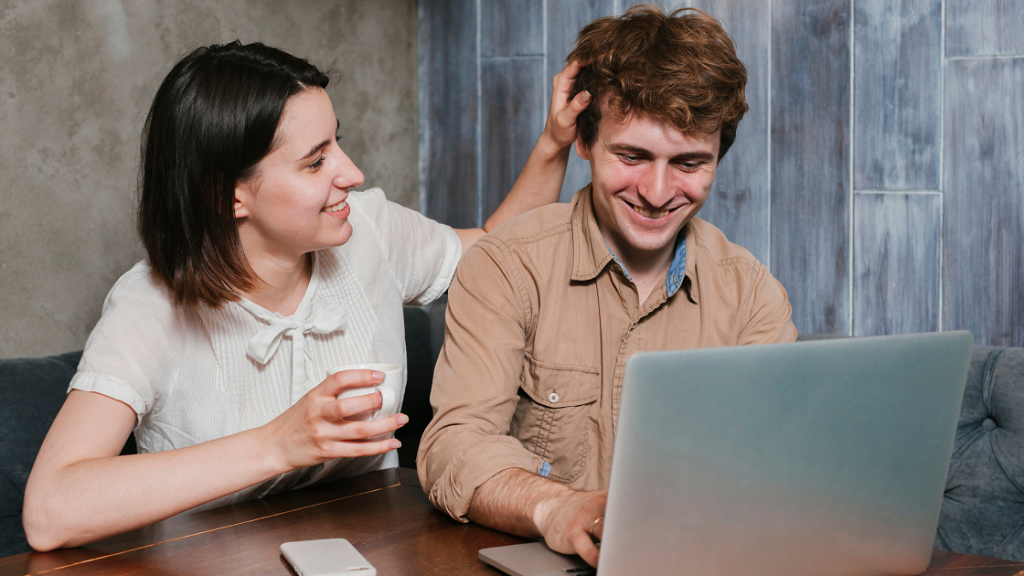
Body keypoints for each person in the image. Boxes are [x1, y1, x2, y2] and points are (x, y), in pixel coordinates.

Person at [22, 41, 590, 552]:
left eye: (336, 144)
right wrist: (278, 444)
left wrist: (552, 143)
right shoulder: (150, 305)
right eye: (316, 161)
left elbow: (496, 253)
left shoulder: (370, 233)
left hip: (377, 551)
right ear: (229, 195)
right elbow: (50, 512)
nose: (352, 172)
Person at [417, 5, 798, 568]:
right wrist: (557, 509)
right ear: (586, 142)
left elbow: (776, 471)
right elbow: (455, 447)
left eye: (690, 163)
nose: (657, 190)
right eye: (633, 156)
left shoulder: (753, 298)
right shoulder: (504, 267)